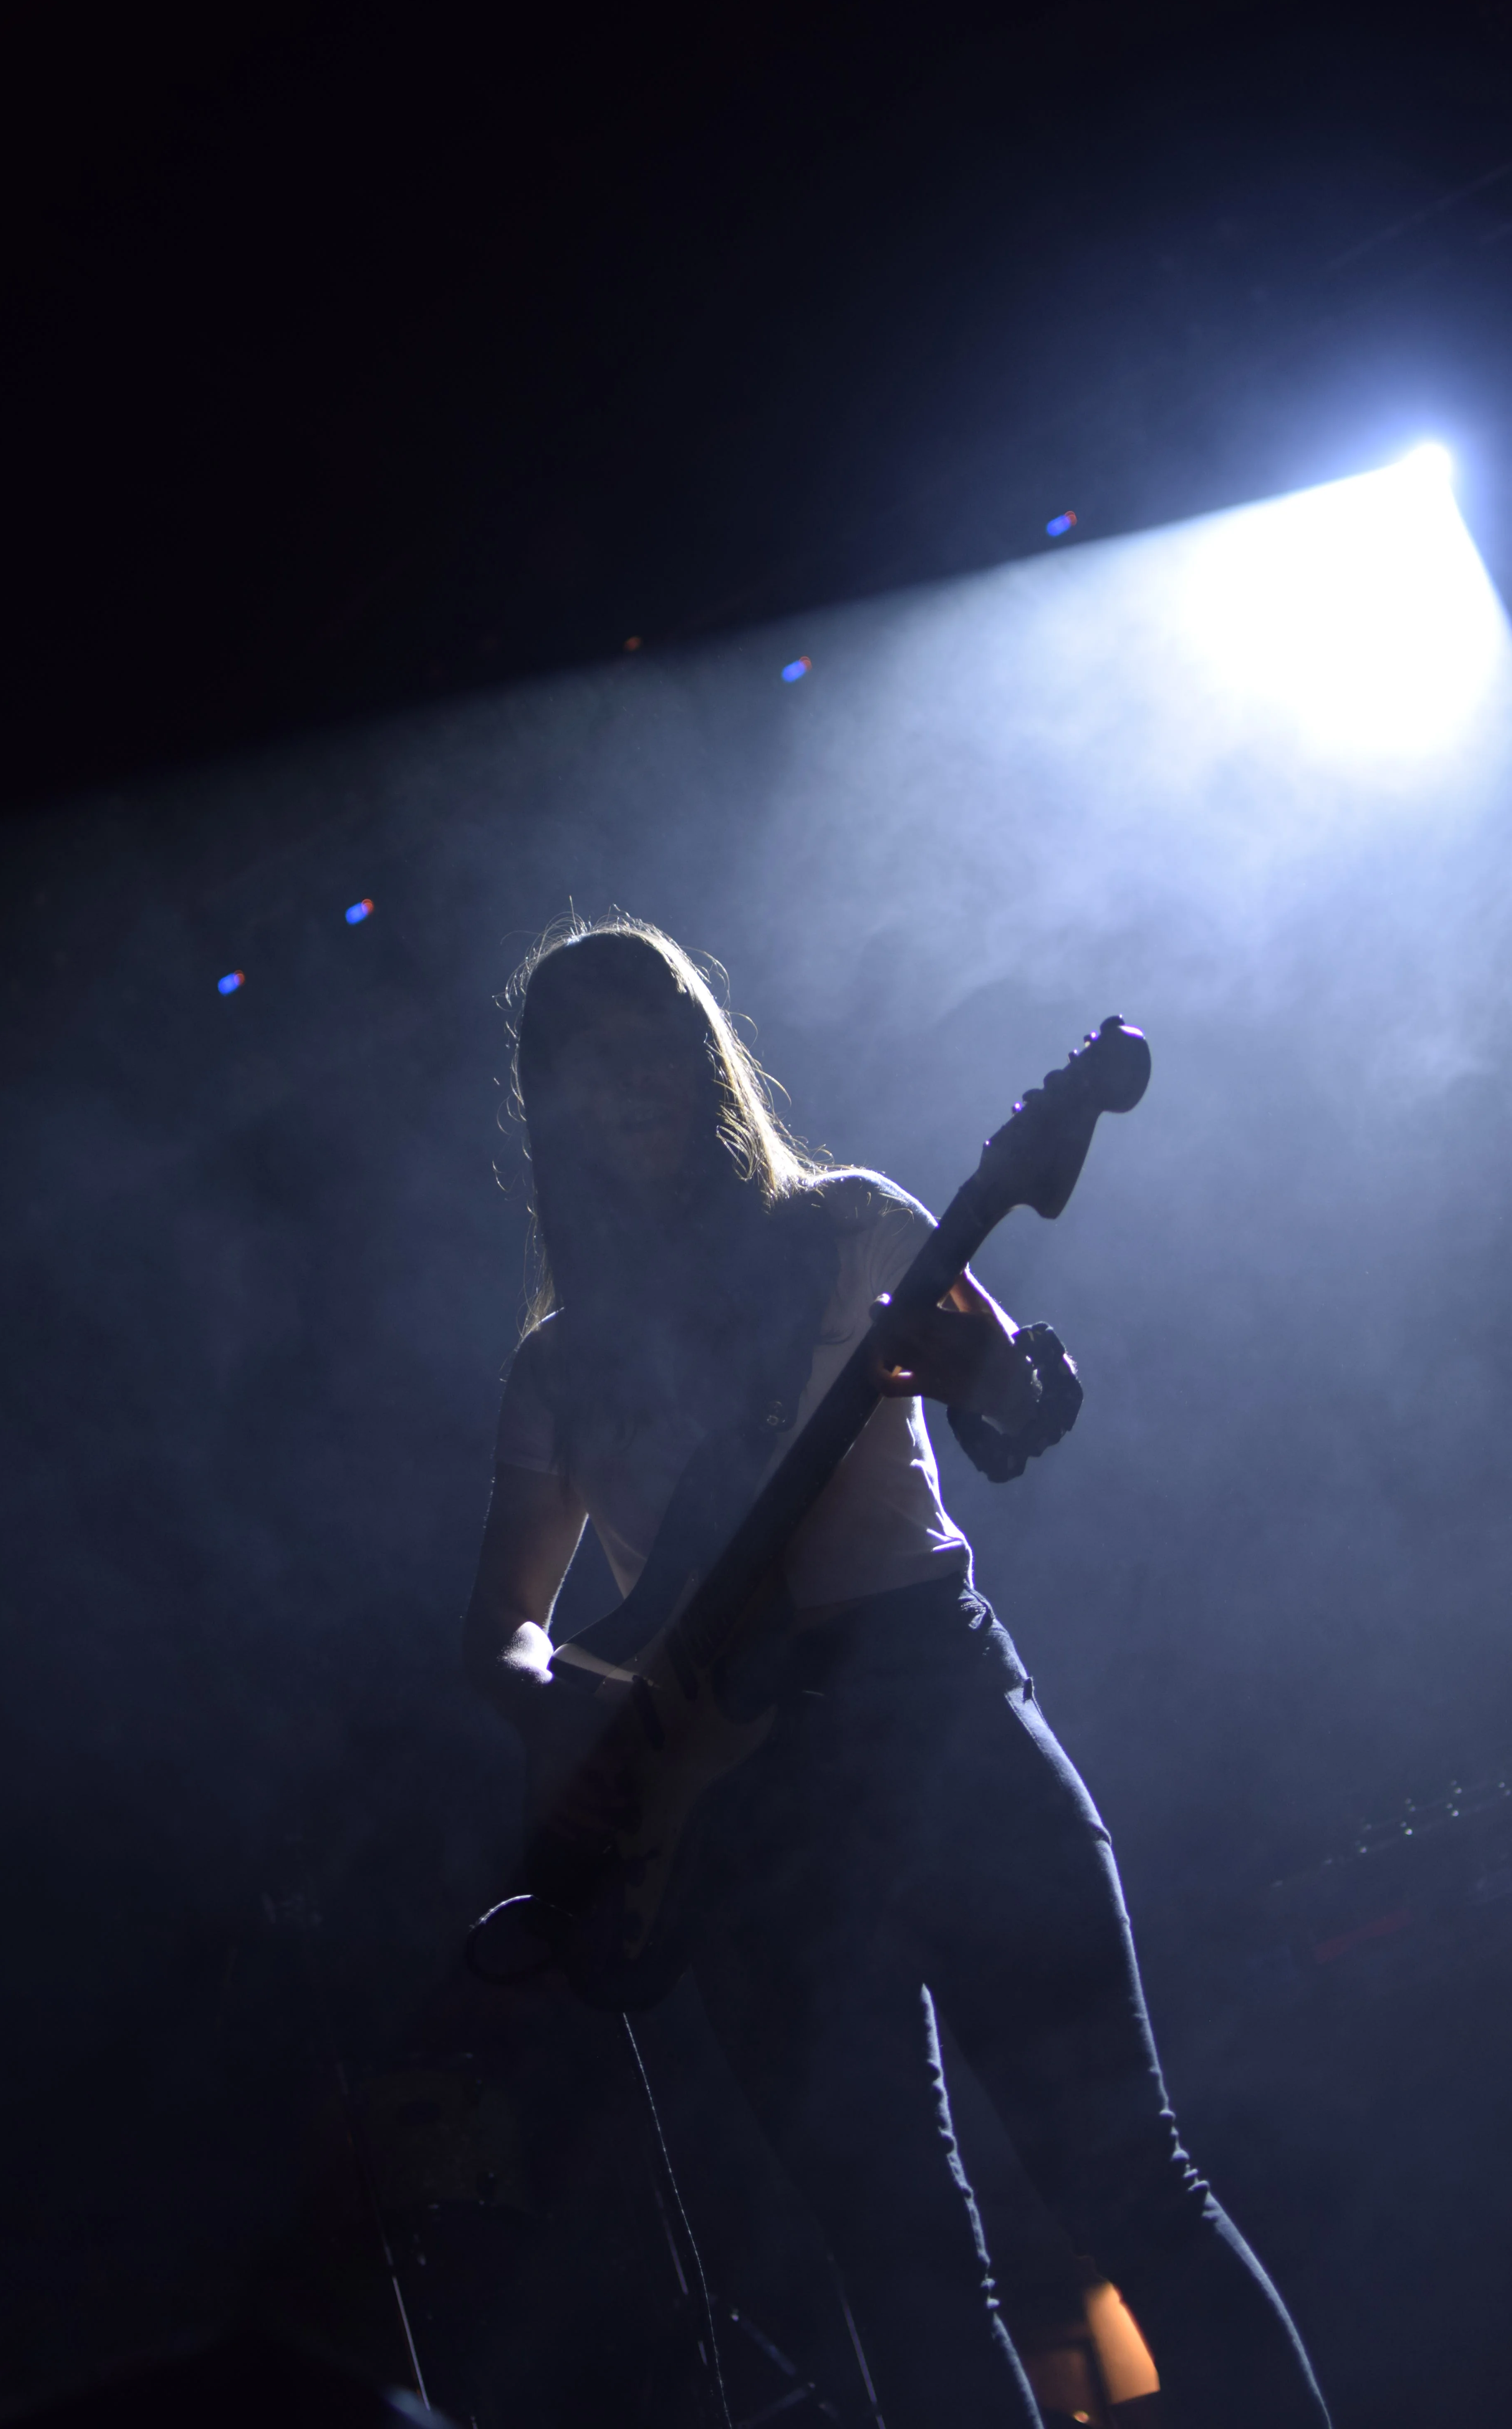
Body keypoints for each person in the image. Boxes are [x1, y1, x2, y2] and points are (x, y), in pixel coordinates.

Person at [462, 916, 1330, 2429]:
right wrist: (564, 1710)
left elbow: (1010, 1420)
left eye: (655, 1036)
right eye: (590, 1060)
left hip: (937, 1723)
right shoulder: (558, 1365)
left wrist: (1006, 1382)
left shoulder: (852, 1227)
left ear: (703, 1051)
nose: (633, 1077)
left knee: (1131, 2181)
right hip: (741, 1814)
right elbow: (501, 1621)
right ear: (552, 1109)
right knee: (903, 2264)